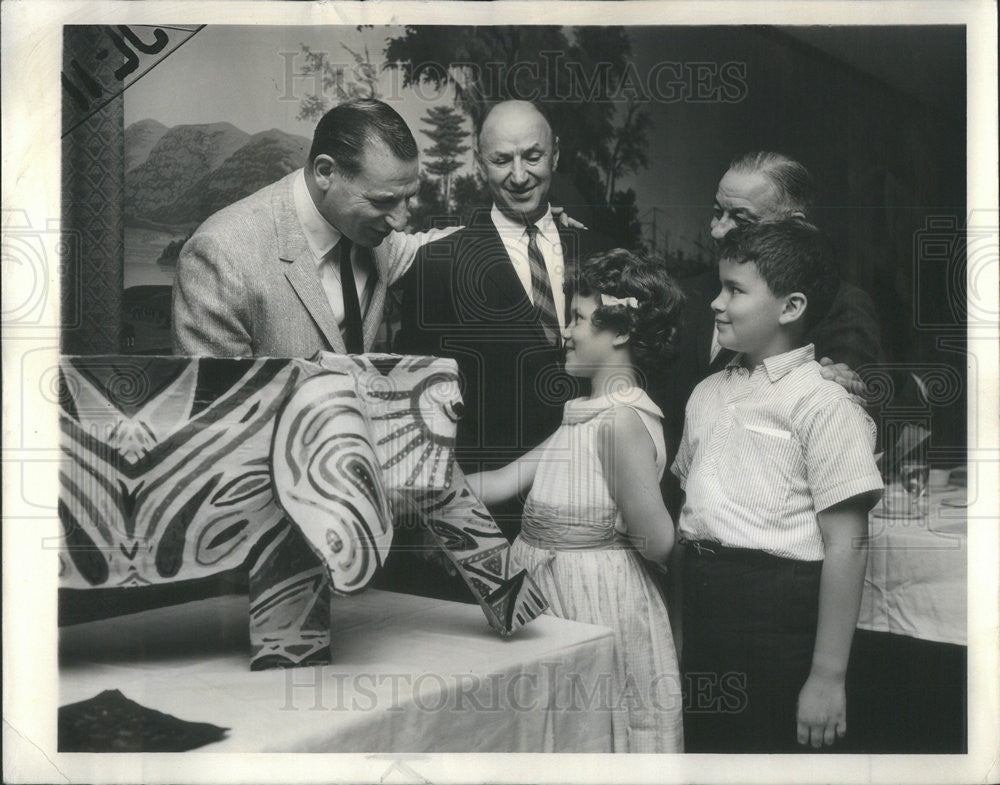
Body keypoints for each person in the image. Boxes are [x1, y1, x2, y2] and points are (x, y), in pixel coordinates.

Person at [671, 219, 883, 752]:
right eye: (719, 286)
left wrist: (828, 676)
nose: (716, 303)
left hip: (776, 617)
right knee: (705, 753)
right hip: (702, 604)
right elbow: (688, 514)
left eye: (735, 290)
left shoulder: (824, 402)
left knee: (766, 754)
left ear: (790, 308)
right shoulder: (704, 394)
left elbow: (847, 545)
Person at [468, 249, 685, 753]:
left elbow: (659, 542)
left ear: (622, 332)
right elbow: (503, 481)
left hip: (594, 602)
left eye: (580, 319)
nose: (566, 331)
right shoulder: (585, 413)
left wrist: (593, 538)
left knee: (593, 736)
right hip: (546, 598)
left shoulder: (620, 423)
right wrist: (426, 482)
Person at [397, 100, 611, 537]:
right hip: (486, 518)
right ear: (480, 165)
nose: (518, 175)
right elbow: (416, 404)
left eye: (532, 156)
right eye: (501, 160)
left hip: (595, 507)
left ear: (555, 154)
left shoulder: (600, 250)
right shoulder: (440, 264)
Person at [172, 98, 458, 358]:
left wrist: (501, 222)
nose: (400, 221)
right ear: (325, 172)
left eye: (408, 198)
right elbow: (218, 403)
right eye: (384, 201)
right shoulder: (220, 255)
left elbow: (435, 245)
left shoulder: (373, 232)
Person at [661, 152, 883, 477]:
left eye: (740, 218)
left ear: (794, 224)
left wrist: (846, 389)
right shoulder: (686, 294)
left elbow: (854, 422)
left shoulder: (842, 306)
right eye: (716, 212)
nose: (719, 230)